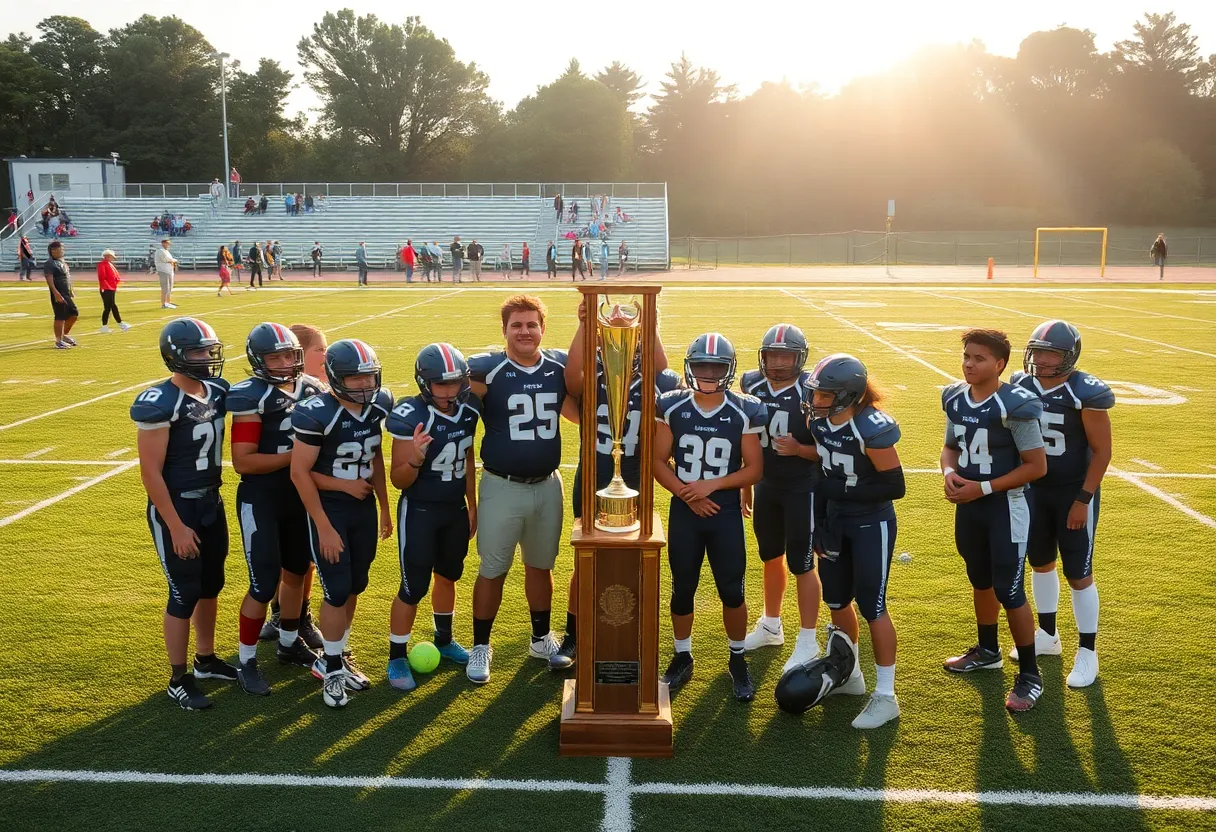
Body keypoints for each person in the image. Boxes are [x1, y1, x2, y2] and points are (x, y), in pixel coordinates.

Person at [551, 300, 676, 671]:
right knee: (585, 559)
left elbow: (662, 369)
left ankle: (631, 633)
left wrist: (650, 322)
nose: (619, 322)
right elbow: (572, 381)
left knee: (637, 560)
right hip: (594, 475)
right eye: (612, 323)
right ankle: (575, 635)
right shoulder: (592, 370)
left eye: (628, 325)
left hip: (635, 478)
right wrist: (585, 323)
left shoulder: (654, 377)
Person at [464, 295, 577, 684]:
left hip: (547, 484)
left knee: (541, 566)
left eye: (531, 324)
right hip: (502, 485)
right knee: (493, 569)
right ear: (505, 330)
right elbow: (459, 424)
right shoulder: (487, 371)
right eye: (517, 325)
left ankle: (540, 638)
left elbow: (579, 412)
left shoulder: (558, 367)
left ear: (543, 329)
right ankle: (481, 645)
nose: (525, 331)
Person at [654, 334, 767, 701]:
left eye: (716, 367)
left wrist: (711, 486)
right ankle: (682, 655)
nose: (708, 373)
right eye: (701, 365)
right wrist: (688, 494)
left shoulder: (744, 409)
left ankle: (737, 658)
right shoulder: (671, 405)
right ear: (689, 366)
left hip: (724, 511)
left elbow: (754, 469)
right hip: (685, 509)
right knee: (682, 586)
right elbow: (657, 461)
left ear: (729, 370)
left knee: (732, 590)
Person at [131, 318, 237, 709]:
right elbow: (150, 472)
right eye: (197, 351)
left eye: (209, 350)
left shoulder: (218, 390)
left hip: (211, 500)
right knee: (184, 591)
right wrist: (175, 525)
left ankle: (205, 659)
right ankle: (178, 678)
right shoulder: (160, 401)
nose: (207, 358)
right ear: (175, 356)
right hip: (177, 507)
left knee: (211, 584)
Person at [941, 329, 1048, 714]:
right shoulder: (955, 397)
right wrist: (949, 473)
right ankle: (988, 651)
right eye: (967, 356)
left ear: (1000, 364)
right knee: (980, 578)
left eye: (979, 358)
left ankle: (1031, 674)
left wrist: (982, 488)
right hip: (971, 506)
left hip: (1007, 507)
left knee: (1010, 589)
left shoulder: (1014, 404)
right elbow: (950, 447)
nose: (969, 364)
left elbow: (1036, 466)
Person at [800, 354, 905, 728]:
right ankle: (851, 673)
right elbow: (823, 473)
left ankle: (887, 696)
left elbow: (894, 486)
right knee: (836, 598)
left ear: (848, 395)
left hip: (870, 523)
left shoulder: (870, 427)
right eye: (816, 393)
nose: (816, 401)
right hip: (836, 521)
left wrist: (841, 490)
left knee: (872, 605)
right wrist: (819, 524)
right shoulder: (820, 423)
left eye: (825, 395)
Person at [290, 339, 394, 707]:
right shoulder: (316, 412)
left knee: (355, 585)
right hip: (330, 509)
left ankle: (337, 655)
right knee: (335, 589)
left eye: (369, 376)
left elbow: (375, 456)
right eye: (355, 378)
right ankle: (330, 668)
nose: (365, 385)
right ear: (335, 377)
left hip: (363, 507)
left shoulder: (379, 405)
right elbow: (299, 472)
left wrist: (384, 506)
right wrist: (323, 526)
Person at [1011, 321, 1113, 689]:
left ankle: (1087, 651)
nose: (1040, 359)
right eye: (1037, 351)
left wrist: (1083, 499)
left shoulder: (1084, 391)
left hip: (1072, 491)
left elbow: (1102, 452)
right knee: (1040, 562)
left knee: (1078, 573)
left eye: (1050, 353)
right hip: (1035, 491)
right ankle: (1048, 634)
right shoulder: (1021, 385)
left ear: (1068, 357)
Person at [228, 324, 329, 695]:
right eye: (276, 357)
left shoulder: (312, 388)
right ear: (259, 360)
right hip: (263, 498)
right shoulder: (252, 396)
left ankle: (288, 643)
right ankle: (246, 660)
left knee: (298, 570)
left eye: (289, 354)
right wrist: (295, 458)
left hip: (298, 496)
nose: (286, 363)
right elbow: (243, 461)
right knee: (263, 583)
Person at [385, 343, 482, 690]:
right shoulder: (410, 414)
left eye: (455, 382)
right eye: (441, 384)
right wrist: (415, 457)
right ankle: (397, 656)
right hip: (420, 511)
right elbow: (398, 479)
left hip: (454, 510)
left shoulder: (469, 409)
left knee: (448, 576)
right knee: (412, 587)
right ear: (424, 383)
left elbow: (467, 457)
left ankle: (444, 639)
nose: (449, 391)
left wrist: (472, 503)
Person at [737, 325, 822, 670]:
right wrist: (746, 483)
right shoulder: (751, 384)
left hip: (803, 487)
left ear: (799, 358)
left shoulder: (812, 390)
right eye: (773, 356)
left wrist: (801, 449)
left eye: (786, 357)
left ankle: (808, 640)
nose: (778, 363)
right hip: (767, 485)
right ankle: (771, 625)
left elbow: (832, 447)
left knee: (803, 563)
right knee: (771, 555)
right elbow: (745, 436)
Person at [258, 323, 331, 645]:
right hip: (279, 489)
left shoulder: (321, 389)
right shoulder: (277, 391)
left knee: (305, 561)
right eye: (320, 349)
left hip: (312, 486)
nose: (326, 355)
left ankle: (299, 616)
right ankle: (282, 614)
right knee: (285, 560)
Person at [44, 241, 79, 349]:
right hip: (58, 293)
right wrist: (56, 293)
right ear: (53, 250)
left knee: (74, 313)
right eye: (60, 249)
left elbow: (66, 277)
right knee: (60, 316)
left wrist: (70, 290)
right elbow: (49, 279)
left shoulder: (61, 262)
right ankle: (59, 341)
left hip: (65, 292)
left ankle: (63, 335)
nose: (62, 251)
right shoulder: (50, 263)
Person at [97, 249, 131, 333]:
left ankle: (105, 327)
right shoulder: (102, 264)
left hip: (110, 288)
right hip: (107, 288)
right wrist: (107, 286)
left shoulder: (108, 264)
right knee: (111, 306)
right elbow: (102, 277)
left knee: (108, 308)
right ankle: (121, 324)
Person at [154, 239, 178, 309]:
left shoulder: (166, 251)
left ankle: (168, 302)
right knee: (165, 288)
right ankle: (164, 303)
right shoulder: (160, 251)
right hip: (163, 271)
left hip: (169, 271)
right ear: (163, 244)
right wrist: (174, 260)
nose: (168, 245)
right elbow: (167, 260)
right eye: (167, 243)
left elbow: (170, 259)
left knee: (170, 288)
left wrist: (173, 261)